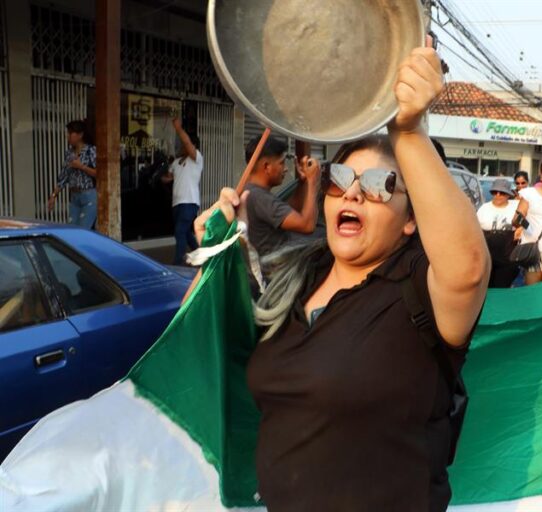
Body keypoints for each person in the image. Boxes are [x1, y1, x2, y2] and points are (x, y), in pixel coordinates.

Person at [190, 40, 490, 511]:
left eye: (377, 186)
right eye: (340, 180)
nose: (353, 195)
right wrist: (214, 253)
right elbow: (206, 342)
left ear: (411, 219)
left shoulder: (417, 289)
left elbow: (469, 268)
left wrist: (407, 131)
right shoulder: (293, 274)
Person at [243, 137, 320, 258]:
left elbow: (291, 211)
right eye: (281, 163)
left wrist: (303, 182)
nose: (285, 168)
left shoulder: (252, 192)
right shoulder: (259, 198)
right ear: (267, 167)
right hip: (271, 274)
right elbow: (308, 225)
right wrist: (313, 181)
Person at [161, 118, 204, 265]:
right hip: (177, 204)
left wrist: (178, 128)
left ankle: (177, 264)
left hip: (189, 202)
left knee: (179, 232)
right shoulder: (176, 162)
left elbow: (187, 143)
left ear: (194, 146)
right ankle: (201, 257)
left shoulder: (197, 159)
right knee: (186, 233)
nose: (182, 145)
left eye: (186, 144)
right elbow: (169, 178)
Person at [47, 120, 98, 228]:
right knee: (72, 229)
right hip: (74, 196)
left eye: (70, 133)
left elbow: (99, 173)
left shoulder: (91, 150)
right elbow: (64, 176)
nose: (68, 136)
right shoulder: (69, 153)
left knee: (83, 230)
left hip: (88, 195)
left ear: (80, 135)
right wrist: (53, 195)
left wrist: (81, 167)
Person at [477, 178, 519, 287]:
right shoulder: (484, 209)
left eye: (502, 193)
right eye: (495, 192)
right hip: (487, 256)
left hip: (508, 257)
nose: (498, 195)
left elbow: (528, 222)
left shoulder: (516, 206)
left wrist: (520, 230)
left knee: (503, 287)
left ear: (508, 194)